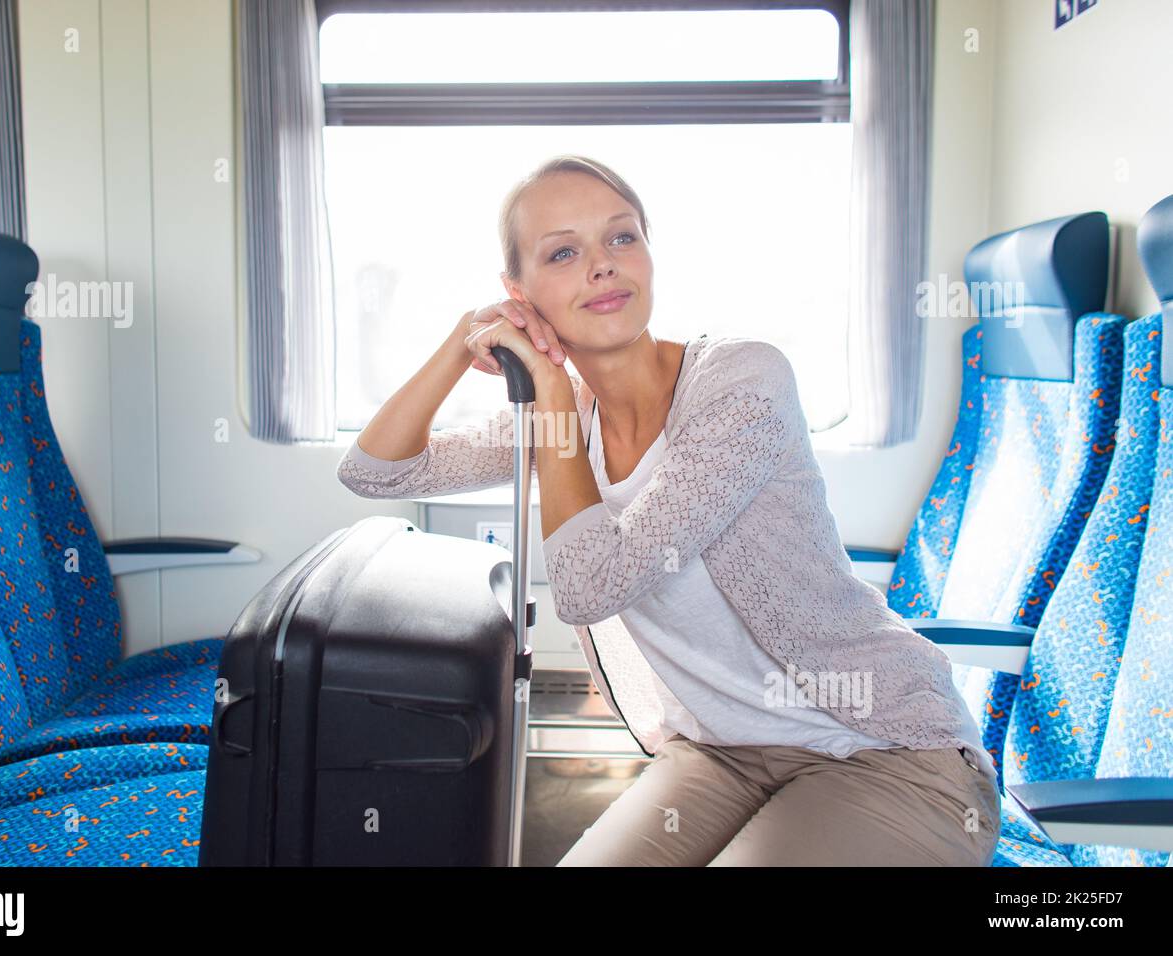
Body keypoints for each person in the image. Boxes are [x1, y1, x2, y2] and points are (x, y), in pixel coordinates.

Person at [336, 154, 1001, 866]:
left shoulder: (743, 381)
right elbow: (374, 471)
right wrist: (461, 339)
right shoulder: (571, 423)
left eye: (621, 238)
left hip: (884, 751)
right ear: (519, 293)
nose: (602, 265)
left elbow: (595, 585)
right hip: (721, 756)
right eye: (563, 252)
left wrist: (552, 396)